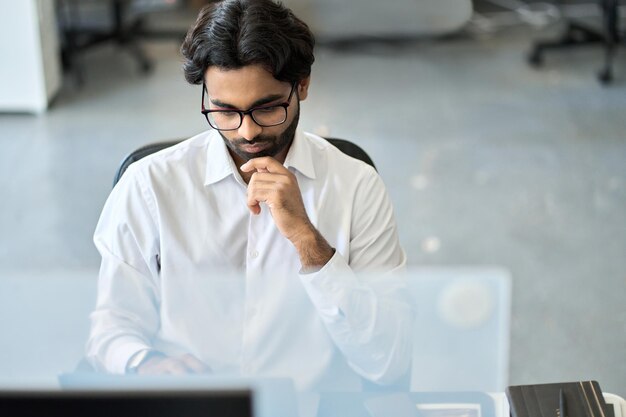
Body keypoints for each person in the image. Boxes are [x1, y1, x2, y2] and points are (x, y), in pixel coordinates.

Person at [86, 0, 412, 391]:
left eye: (266, 109)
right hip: (188, 403)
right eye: (225, 111)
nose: (246, 133)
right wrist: (146, 363)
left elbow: (389, 360)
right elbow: (110, 329)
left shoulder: (355, 186)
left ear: (302, 86)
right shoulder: (149, 185)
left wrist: (308, 242)